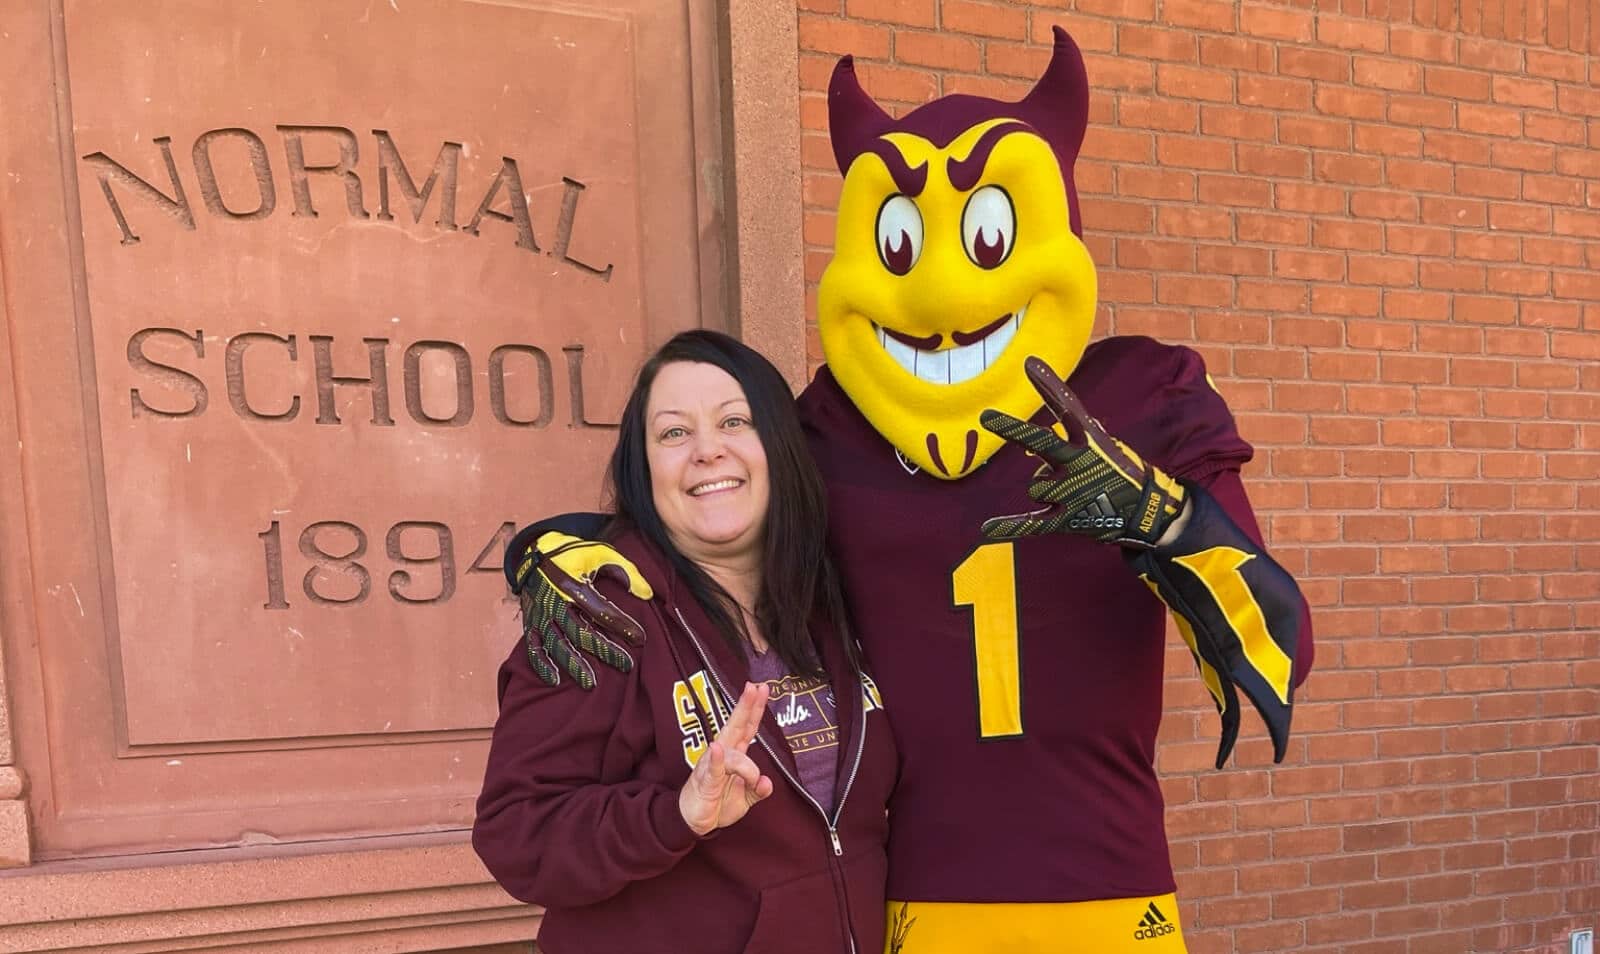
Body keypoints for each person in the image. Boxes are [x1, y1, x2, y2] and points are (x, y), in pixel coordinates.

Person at [508, 27, 1314, 954]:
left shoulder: (1139, 400)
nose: (939, 288)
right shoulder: (830, 427)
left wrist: (1167, 523)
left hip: (1108, 894)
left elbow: (1279, 646)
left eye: (984, 237)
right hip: (910, 906)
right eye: (900, 240)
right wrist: (556, 552)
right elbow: (709, 510)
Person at [472, 330, 896, 954]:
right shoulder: (599, 613)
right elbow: (518, 833)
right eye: (674, 433)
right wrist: (677, 814)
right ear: (644, 471)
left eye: (734, 421)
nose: (706, 452)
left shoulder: (836, 598)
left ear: (779, 446)